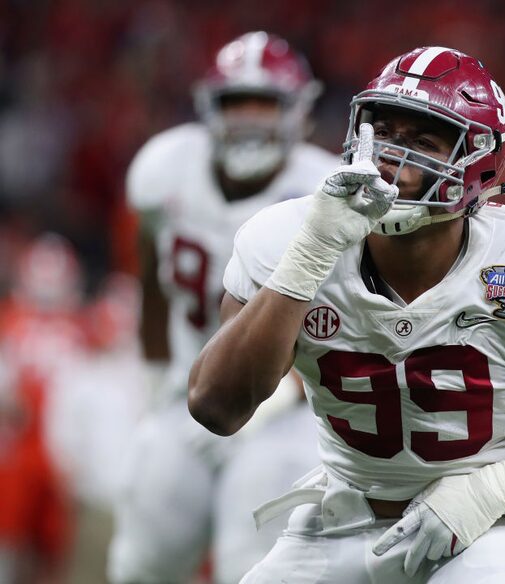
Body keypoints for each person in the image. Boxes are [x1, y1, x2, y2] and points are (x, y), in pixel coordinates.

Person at [188, 46, 505, 583]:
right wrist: (309, 256)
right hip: (341, 519)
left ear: (478, 163)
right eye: (384, 135)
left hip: (484, 531)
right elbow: (217, 407)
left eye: (423, 142)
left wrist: (493, 489)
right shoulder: (289, 237)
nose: (391, 161)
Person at [107, 32, 338, 584]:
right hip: (187, 398)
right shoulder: (165, 169)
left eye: (267, 103)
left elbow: (349, 321)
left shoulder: (327, 190)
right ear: (210, 107)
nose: (251, 119)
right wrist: (158, 376)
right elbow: (154, 280)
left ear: (298, 111)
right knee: (141, 563)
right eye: (238, 103)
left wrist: (280, 396)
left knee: (254, 569)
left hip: (291, 414)